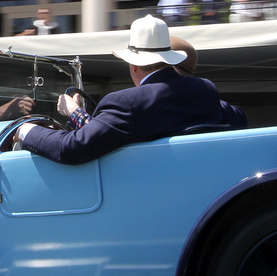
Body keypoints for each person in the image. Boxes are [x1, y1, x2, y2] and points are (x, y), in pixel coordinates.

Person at [13, 15, 246, 165]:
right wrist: (77, 114)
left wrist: (26, 130)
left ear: (134, 66)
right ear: (168, 60)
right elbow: (238, 118)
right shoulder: (205, 91)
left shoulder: (125, 102)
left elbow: (72, 148)